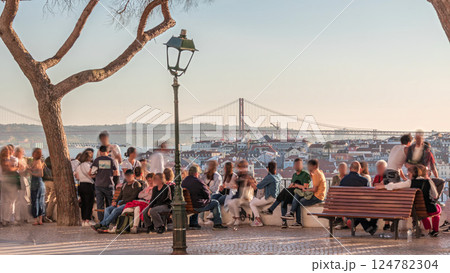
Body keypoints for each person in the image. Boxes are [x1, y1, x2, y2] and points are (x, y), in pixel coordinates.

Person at [375, 165, 441, 237]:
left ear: (412, 174)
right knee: (438, 208)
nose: (408, 175)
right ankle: (435, 230)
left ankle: (428, 228)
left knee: (422, 210)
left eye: (408, 174)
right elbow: (435, 195)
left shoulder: (410, 182)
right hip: (429, 209)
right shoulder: (428, 181)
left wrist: (383, 186)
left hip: (416, 210)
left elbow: (395, 186)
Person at [261, 158, 311, 228]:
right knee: (283, 199)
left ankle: (271, 209)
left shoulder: (305, 175)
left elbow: (305, 188)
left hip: (301, 194)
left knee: (285, 193)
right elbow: (292, 186)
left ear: (302, 166)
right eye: (296, 165)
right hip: (293, 193)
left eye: (299, 165)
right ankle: (284, 222)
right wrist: (291, 186)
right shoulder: (294, 175)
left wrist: (296, 185)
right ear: (294, 166)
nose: (297, 166)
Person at [281, 159, 326, 228]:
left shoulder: (317, 174)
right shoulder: (318, 173)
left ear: (314, 166)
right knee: (298, 195)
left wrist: (306, 189)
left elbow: (314, 189)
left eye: (309, 166)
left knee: (299, 202)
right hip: (317, 195)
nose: (308, 168)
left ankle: (297, 220)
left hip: (318, 197)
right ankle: (292, 214)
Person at [181, 165, 227, 230]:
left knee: (195, 200)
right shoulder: (198, 182)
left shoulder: (184, 181)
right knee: (215, 203)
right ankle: (217, 224)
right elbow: (207, 195)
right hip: (197, 206)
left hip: (188, 206)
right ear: (196, 173)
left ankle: (193, 223)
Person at [339, 161, 378, 235]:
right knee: (376, 208)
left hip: (346, 207)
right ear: (359, 169)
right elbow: (369, 196)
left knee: (357, 211)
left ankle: (359, 225)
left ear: (350, 168)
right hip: (361, 207)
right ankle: (369, 227)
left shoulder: (343, 180)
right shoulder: (364, 180)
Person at [90, 145, 119, 221]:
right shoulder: (111, 160)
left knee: (100, 204)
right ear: (108, 152)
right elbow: (116, 172)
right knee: (110, 204)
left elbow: (91, 172)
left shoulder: (97, 160)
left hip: (98, 184)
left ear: (100, 151)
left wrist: (97, 175)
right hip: (109, 184)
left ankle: (101, 220)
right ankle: (110, 220)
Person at [249, 161, 281, 227]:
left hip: (269, 198)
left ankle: (258, 221)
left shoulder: (269, 177)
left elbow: (259, 186)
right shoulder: (278, 176)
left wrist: (252, 183)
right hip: (275, 197)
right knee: (254, 200)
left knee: (252, 203)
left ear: (268, 169)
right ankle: (256, 219)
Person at [227, 160, 257, 226]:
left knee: (233, 202)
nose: (240, 169)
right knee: (229, 202)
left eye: (241, 167)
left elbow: (254, 185)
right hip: (240, 196)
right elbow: (237, 185)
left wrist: (251, 182)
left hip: (247, 197)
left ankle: (238, 219)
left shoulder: (248, 175)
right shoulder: (239, 175)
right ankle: (234, 218)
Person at [75, 150, 95, 227]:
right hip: (88, 185)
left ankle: (83, 219)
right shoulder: (88, 165)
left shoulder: (78, 166)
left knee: (83, 203)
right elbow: (91, 174)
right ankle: (87, 219)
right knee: (89, 202)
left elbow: (76, 176)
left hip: (81, 185)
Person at [0, 146, 20, 226]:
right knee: (10, 201)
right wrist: (16, 167)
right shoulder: (6, 160)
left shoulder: (2, 160)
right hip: (9, 182)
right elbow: (9, 169)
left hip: (3, 181)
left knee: (4, 201)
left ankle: (3, 218)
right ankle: (7, 219)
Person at [28, 148, 46, 226]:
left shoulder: (37, 162)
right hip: (39, 183)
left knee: (35, 200)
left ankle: (36, 220)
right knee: (40, 200)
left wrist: (30, 172)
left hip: (36, 182)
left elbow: (40, 174)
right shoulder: (39, 162)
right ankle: (40, 219)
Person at [14, 147, 30, 223]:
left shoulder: (23, 160)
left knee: (24, 198)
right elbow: (19, 171)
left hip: (24, 180)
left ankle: (24, 216)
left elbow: (25, 171)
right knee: (18, 199)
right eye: (22, 152)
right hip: (18, 181)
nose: (23, 154)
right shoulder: (15, 160)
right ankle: (18, 216)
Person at [43, 157, 56, 222]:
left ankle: (43, 214)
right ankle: (48, 215)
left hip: (45, 182)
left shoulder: (45, 166)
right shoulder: (54, 166)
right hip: (52, 182)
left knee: (46, 198)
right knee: (52, 199)